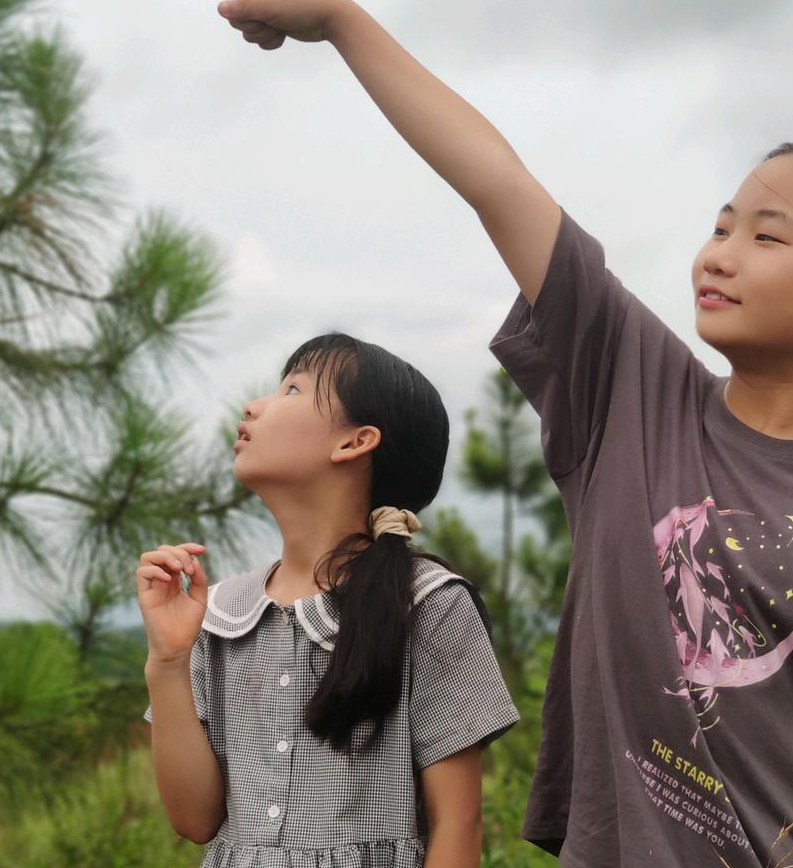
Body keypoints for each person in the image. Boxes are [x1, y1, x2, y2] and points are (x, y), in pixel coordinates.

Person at [202, 0, 793, 867]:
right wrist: (345, 23)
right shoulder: (630, 393)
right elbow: (499, 183)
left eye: (767, 236)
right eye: (722, 224)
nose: (720, 254)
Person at [137, 333, 520, 868]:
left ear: (354, 442)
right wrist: (169, 661)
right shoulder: (221, 613)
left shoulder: (427, 602)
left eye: (291, 390)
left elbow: (458, 826)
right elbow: (195, 820)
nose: (254, 405)